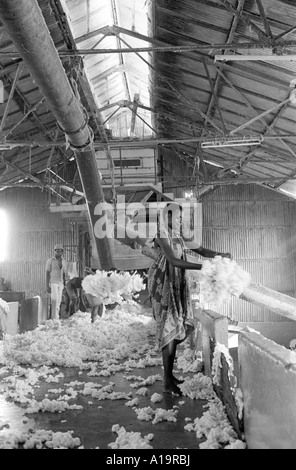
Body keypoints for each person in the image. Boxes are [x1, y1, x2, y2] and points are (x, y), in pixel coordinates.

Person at [147, 202, 231, 396]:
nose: (180, 221)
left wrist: (219, 256)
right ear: (167, 216)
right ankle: (168, 381)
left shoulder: (178, 236)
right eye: (177, 217)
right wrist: (204, 268)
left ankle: (170, 375)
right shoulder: (161, 235)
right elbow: (174, 260)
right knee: (169, 329)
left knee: (178, 328)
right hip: (164, 284)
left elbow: (200, 250)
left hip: (176, 282)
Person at [45, 244, 68, 320]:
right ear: (54, 251)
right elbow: (47, 273)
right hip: (53, 282)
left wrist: (64, 285)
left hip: (61, 282)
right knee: (54, 299)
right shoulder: (50, 261)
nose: (58, 252)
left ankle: (56, 317)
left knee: (59, 300)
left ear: (62, 252)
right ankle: (53, 318)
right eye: (57, 251)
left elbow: (64, 274)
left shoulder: (64, 261)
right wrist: (47, 285)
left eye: (60, 251)